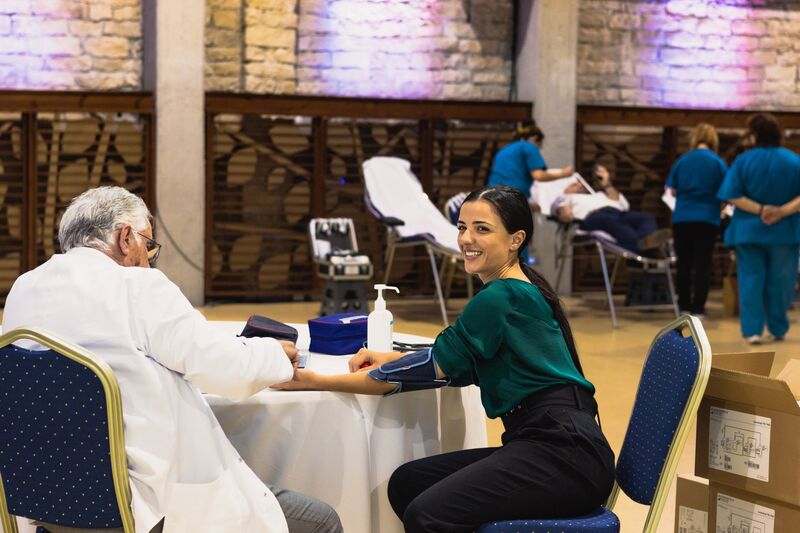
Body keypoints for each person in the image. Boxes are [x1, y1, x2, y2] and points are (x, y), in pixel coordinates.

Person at [2, 186, 342, 533]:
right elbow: (225, 370)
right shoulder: (137, 286)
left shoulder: (24, 289)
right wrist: (275, 355)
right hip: (139, 507)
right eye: (148, 245)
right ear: (125, 238)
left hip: (45, 501)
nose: (149, 259)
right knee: (321, 522)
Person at [275, 186, 615, 532]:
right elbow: (454, 362)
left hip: (566, 455)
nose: (466, 239)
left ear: (516, 240)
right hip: (549, 444)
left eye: (482, 229)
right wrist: (390, 356)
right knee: (409, 483)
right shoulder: (518, 289)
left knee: (428, 514)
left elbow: (422, 371)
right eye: (462, 227)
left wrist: (314, 380)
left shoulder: (501, 296)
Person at [717, 113, 800, 344]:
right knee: (782, 281)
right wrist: (781, 211)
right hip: (785, 232)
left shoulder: (743, 161)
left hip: (748, 231)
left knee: (751, 280)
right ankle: (778, 328)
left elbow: (732, 195)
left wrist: (760, 209)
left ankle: (752, 331)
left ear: (754, 136)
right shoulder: (794, 160)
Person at [666, 123, 728, 317]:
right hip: (707, 217)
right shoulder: (718, 162)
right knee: (703, 264)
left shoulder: (682, 160)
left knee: (683, 263)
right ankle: (699, 308)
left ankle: (684, 306)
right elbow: (726, 192)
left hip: (682, 217)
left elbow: (671, 190)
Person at [488, 122, 575, 263]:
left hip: (492, 200)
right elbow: (538, 175)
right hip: (512, 201)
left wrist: (528, 203)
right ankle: (519, 273)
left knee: (501, 240)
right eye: (540, 145)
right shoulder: (529, 147)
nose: (539, 149)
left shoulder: (504, 151)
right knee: (518, 242)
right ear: (534, 138)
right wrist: (563, 174)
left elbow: (509, 180)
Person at [552, 165, 669, 254]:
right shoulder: (565, 198)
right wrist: (567, 197)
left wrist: (606, 183)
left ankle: (646, 240)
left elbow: (619, 202)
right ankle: (642, 244)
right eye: (574, 184)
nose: (578, 185)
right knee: (614, 223)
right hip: (592, 217)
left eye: (579, 183)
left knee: (646, 218)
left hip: (617, 213)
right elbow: (563, 215)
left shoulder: (599, 195)